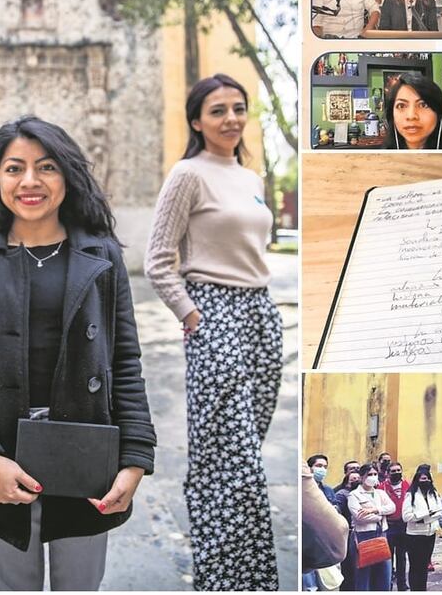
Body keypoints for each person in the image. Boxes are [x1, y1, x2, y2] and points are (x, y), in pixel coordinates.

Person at [0, 116, 155, 590]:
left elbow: (125, 362)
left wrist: (135, 457)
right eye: (14, 168)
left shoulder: (102, 254)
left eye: (47, 167)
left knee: (80, 584)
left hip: (86, 452)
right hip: (2, 452)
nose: (30, 182)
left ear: (67, 176)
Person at [144, 74, 283, 590]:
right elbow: (158, 260)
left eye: (238, 108)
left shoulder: (250, 177)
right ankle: (227, 576)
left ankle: (242, 574)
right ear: (197, 121)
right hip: (215, 312)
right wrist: (192, 315)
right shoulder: (188, 174)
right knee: (231, 454)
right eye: (218, 110)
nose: (231, 119)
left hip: (261, 314)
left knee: (247, 449)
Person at [382, 73, 442, 150]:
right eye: (401, 106)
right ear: (391, 115)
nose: (411, 116)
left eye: (423, 105)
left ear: (439, 113)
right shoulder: (380, 159)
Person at [302, 463, 349, 592]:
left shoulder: (327, 490)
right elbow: (337, 531)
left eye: (325, 466)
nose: (322, 469)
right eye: (319, 465)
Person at [349, 463, 395, 591]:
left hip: (381, 535)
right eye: (369, 475)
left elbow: (392, 507)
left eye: (375, 474)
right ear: (362, 477)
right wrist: (380, 516)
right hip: (363, 536)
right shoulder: (354, 495)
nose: (373, 477)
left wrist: (374, 510)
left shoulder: (380, 493)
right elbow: (359, 516)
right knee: (363, 577)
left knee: (384, 575)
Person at [402, 464, 442, 591]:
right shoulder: (410, 495)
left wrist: (425, 518)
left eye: (428, 479)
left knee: (424, 565)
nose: (426, 481)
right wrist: (426, 515)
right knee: (415, 566)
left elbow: (440, 511)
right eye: (423, 479)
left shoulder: (433, 493)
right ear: (417, 480)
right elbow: (407, 517)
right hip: (415, 536)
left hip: (430, 534)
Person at [379, 461, 410, 591]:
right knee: (388, 557)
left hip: (404, 526)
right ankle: (388, 584)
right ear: (388, 473)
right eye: (393, 471)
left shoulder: (407, 485)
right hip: (390, 526)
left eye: (398, 470)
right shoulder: (381, 488)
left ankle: (402, 584)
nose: (397, 473)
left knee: (402, 557)